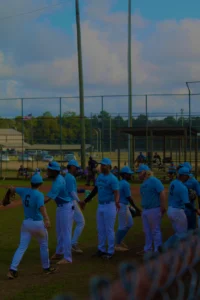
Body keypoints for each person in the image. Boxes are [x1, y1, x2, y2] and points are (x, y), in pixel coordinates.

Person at [7, 174, 55, 279]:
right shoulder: (39, 195)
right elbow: (42, 207)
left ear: (31, 183)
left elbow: (12, 189)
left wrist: (10, 191)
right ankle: (46, 268)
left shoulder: (24, 191)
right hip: (38, 224)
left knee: (21, 247)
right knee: (43, 246)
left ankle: (12, 269)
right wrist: (47, 219)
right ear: (40, 184)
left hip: (26, 224)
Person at [80, 158, 120, 259]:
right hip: (101, 205)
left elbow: (116, 192)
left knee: (109, 229)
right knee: (100, 229)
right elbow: (95, 190)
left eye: (104, 165)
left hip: (110, 205)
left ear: (109, 166)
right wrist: (86, 200)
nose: (102, 166)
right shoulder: (100, 176)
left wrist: (117, 202)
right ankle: (101, 249)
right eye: (101, 165)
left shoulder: (113, 179)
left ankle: (110, 251)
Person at [45, 161, 74, 265]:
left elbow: (47, 199)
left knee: (66, 233)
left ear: (54, 171)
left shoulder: (57, 182)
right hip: (62, 207)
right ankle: (59, 252)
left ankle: (68, 258)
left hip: (66, 208)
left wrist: (36, 201)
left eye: (49, 169)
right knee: (60, 232)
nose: (47, 171)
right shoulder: (57, 178)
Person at [163, 167, 200, 250]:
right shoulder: (182, 188)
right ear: (183, 176)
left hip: (170, 210)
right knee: (183, 234)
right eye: (187, 176)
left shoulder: (173, 182)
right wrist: (196, 210)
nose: (188, 178)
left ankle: (165, 246)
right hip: (178, 212)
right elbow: (187, 203)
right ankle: (177, 251)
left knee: (178, 233)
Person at [136, 164, 166, 255]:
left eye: (139, 172)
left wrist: (162, 206)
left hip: (154, 209)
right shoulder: (144, 183)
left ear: (145, 172)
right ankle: (148, 249)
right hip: (145, 210)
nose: (138, 175)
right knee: (147, 231)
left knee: (155, 230)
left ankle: (157, 250)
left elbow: (162, 193)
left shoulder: (154, 180)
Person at [115, 166, 141, 252]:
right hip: (122, 205)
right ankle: (117, 244)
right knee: (122, 226)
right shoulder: (125, 184)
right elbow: (129, 197)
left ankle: (119, 240)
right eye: (129, 174)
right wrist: (136, 208)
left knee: (129, 223)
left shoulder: (120, 182)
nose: (130, 175)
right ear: (125, 175)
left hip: (123, 205)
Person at [65, 160, 85, 254]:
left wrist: (80, 191)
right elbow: (71, 192)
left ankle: (69, 244)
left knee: (71, 224)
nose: (77, 169)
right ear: (72, 167)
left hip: (69, 202)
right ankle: (73, 243)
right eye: (76, 167)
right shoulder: (69, 177)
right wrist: (79, 201)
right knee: (81, 222)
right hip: (71, 202)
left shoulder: (68, 176)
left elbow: (73, 190)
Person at [181, 162, 200, 230]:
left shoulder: (193, 181)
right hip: (181, 207)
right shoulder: (180, 180)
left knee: (191, 228)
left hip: (190, 208)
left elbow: (199, 194)